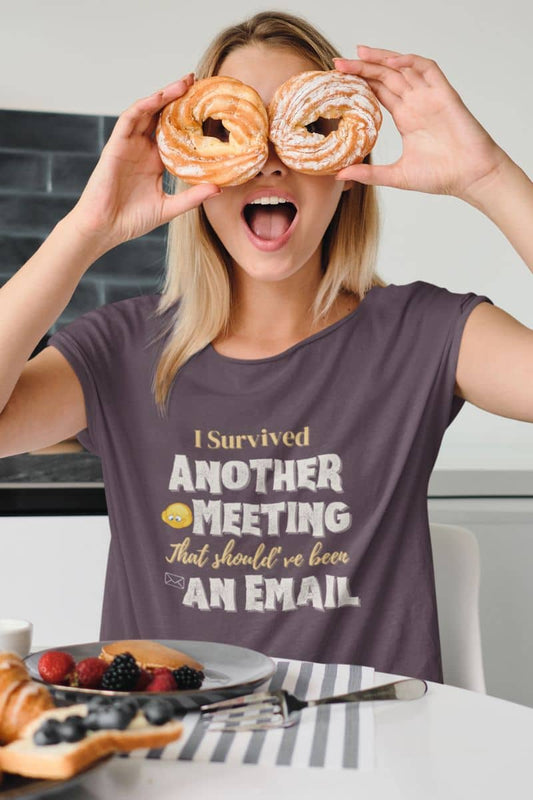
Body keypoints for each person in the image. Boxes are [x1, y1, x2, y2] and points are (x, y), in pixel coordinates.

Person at [0, 11, 531, 683]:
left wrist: (486, 178)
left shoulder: (424, 334)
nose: (270, 159)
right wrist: (86, 228)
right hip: (173, 752)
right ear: (195, 163)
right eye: (229, 132)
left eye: (304, 130)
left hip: (370, 756)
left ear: (346, 166)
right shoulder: (124, 347)